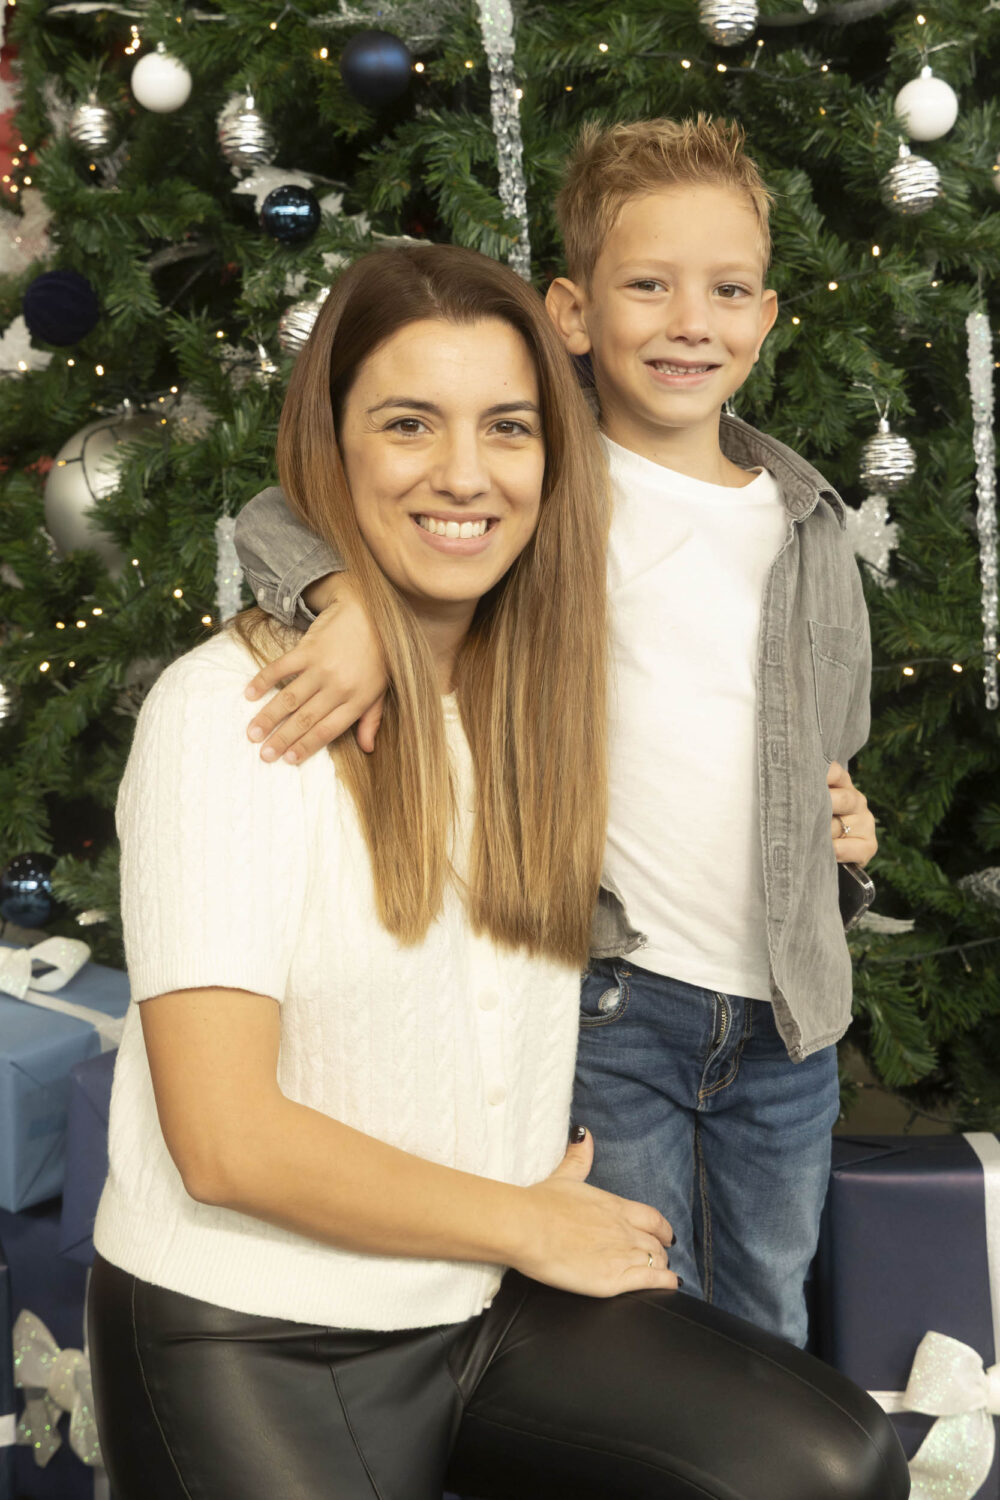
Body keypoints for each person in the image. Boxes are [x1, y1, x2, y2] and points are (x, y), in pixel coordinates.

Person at [87, 243, 907, 1500]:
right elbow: (224, 1141)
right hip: (254, 1330)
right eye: (408, 423)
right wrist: (527, 1220)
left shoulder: (548, 697)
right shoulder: (234, 713)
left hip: (480, 1305)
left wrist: (830, 821)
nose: (465, 474)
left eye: (508, 428)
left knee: (824, 1463)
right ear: (332, 444)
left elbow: (732, 765)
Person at [232, 117, 879, 1351]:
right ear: (572, 314)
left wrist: (847, 833)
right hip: (610, 1000)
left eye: (726, 291)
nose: (690, 322)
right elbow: (279, 515)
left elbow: (828, 746)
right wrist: (350, 603)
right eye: (649, 286)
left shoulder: (808, 520)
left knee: (768, 1324)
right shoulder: (538, 474)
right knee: (633, 1316)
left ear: (765, 317)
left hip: (788, 1018)